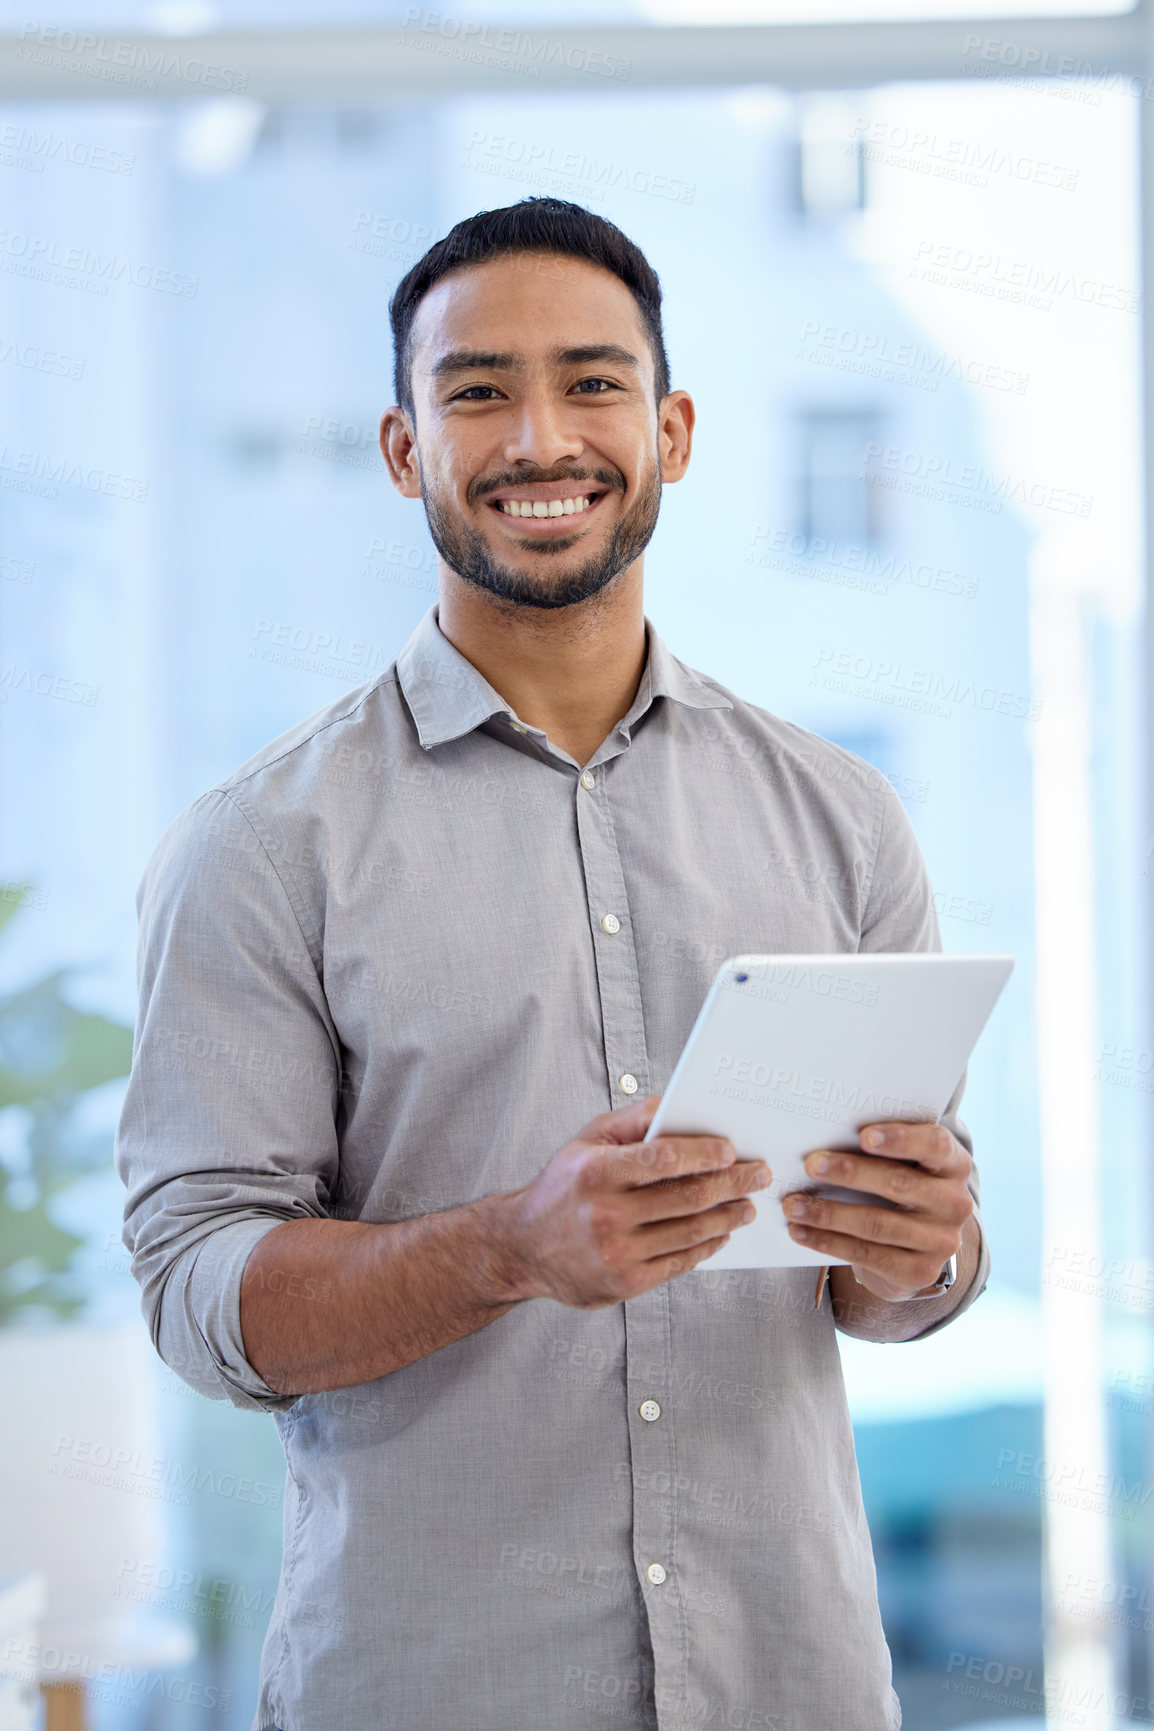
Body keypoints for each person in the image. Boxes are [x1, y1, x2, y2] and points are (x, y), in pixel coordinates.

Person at [117, 196, 986, 1731]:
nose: (539, 438)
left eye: (591, 382)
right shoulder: (262, 844)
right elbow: (199, 1295)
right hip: (430, 1689)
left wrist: (922, 1252)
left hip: (790, 1681)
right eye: (476, 391)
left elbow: (894, 1286)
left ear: (674, 428)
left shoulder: (838, 815)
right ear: (404, 450)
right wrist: (507, 1247)